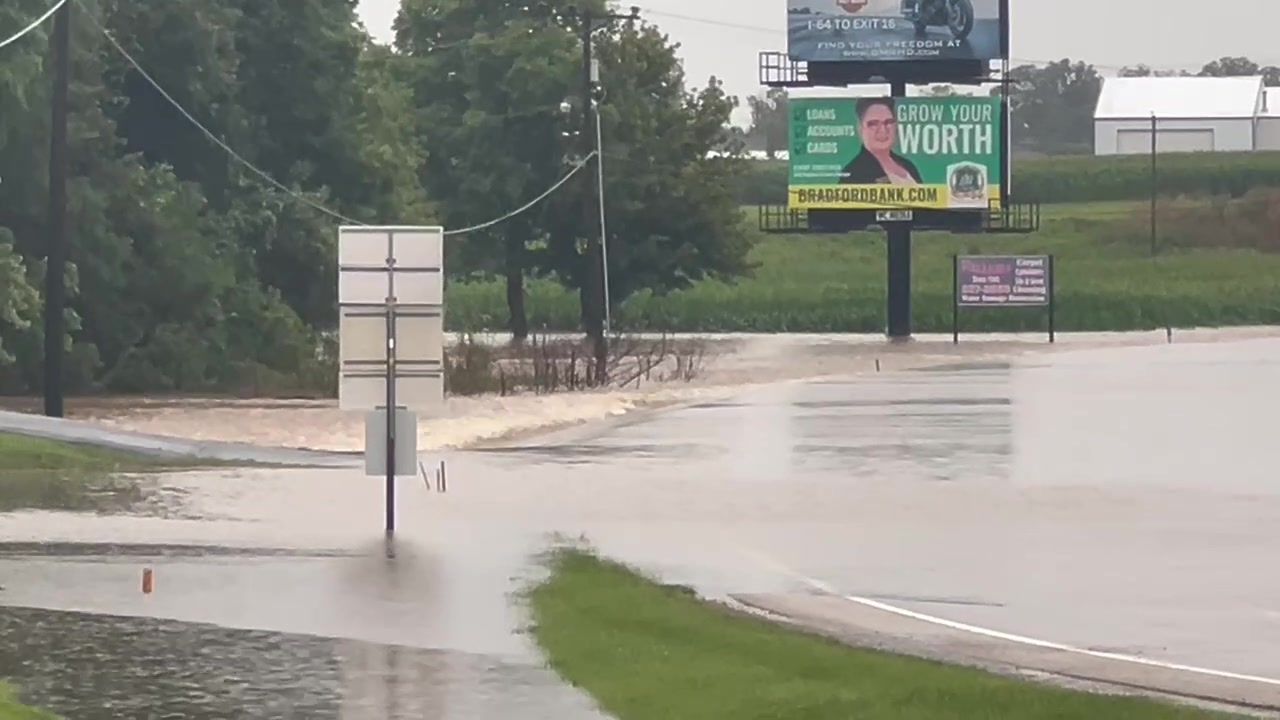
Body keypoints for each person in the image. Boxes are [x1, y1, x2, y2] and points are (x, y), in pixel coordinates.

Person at [839, 97, 923, 186]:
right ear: (860, 129)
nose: (883, 130)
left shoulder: (908, 165)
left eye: (888, 122)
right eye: (873, 124)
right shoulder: (853, 173)